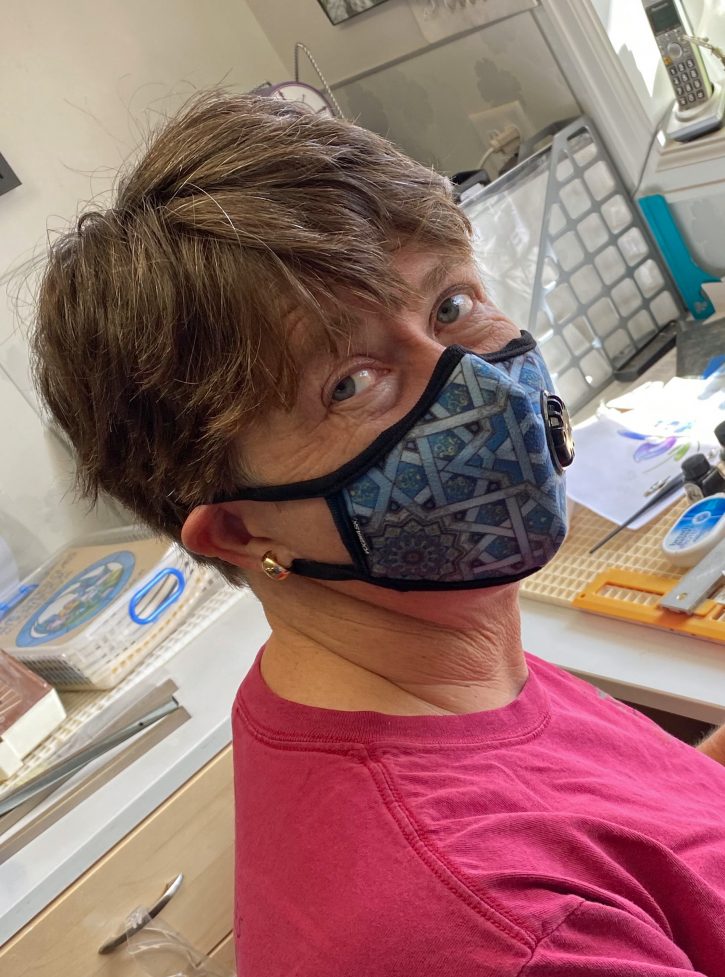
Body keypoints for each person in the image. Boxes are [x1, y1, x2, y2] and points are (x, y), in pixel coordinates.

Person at [32, 92, 725, 976]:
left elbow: (652, 855)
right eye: (351, 383)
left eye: (448, 305)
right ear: (240, 533)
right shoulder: (493, 930)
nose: (483, 389)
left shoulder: (423, 653)